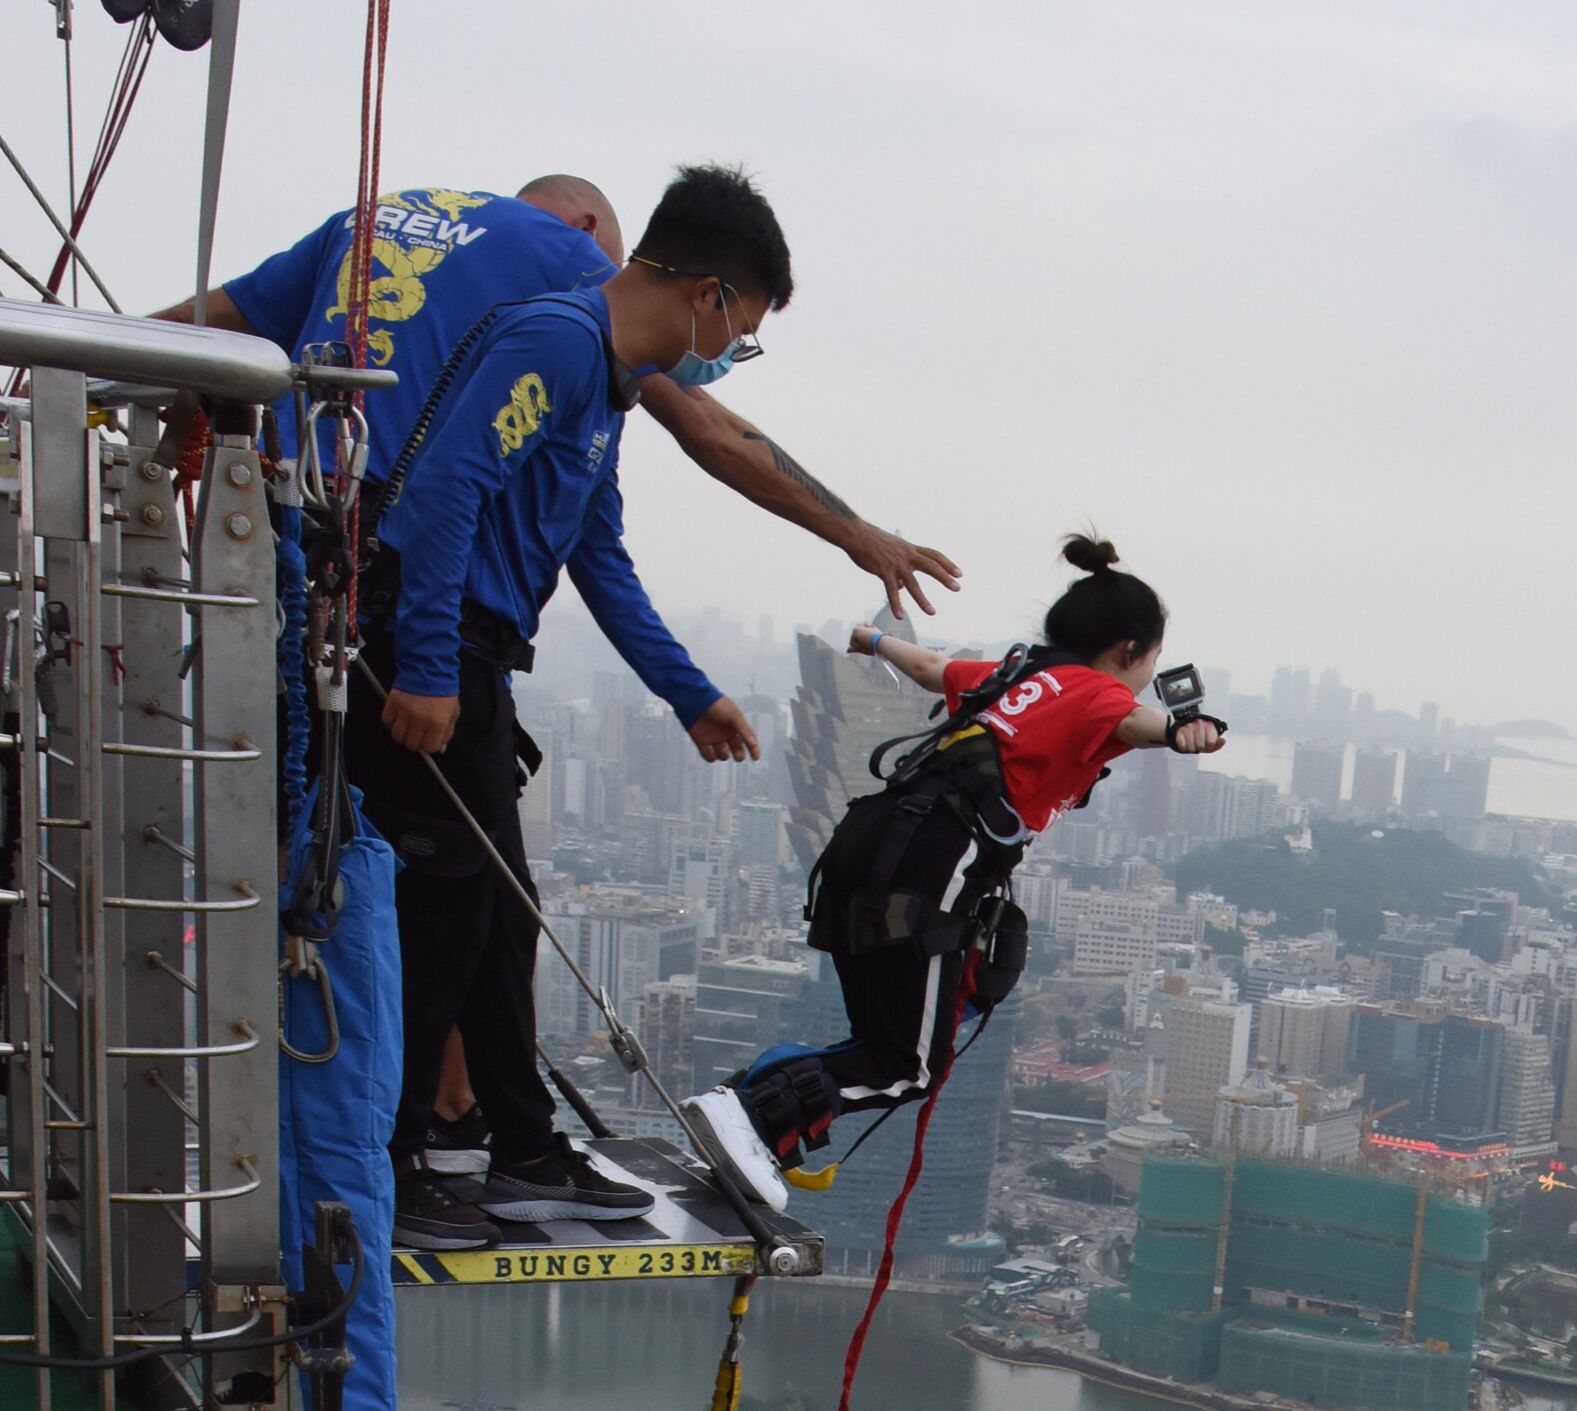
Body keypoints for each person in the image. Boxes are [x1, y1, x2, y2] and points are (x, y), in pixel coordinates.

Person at [354, 164, 783, 1250]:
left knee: (502, 913)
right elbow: (444, 488)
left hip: (477, 654)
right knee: (445, 910)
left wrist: (692, 693)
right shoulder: (554, 341)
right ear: (707, 295)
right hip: (431, 637)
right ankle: (391, 1163)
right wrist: (428, 668)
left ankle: (523, 1152)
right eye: (743, 328)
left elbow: (599, 558)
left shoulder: (607, 388)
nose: (729, 355)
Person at [157, 174, 959, 617]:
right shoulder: (573, 271)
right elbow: (710, 429)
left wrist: (57, 351)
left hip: (265, 532)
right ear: (584, 227)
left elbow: (201, 324)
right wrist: (856, 533)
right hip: (375, 571)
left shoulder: (379, 214)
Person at [725, 534, 1224, 1178]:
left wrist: (871, 640)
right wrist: (1181, 732)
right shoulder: (1099, 694)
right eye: (1150, 662)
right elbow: (1134, 722)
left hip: (862, 851)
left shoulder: (1016, 674)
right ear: (1129, 652)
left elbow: (933, 668)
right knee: (910, 1068)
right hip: (927, 875)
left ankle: (749, 1110)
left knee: (884, 1042)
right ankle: (746, 1119)